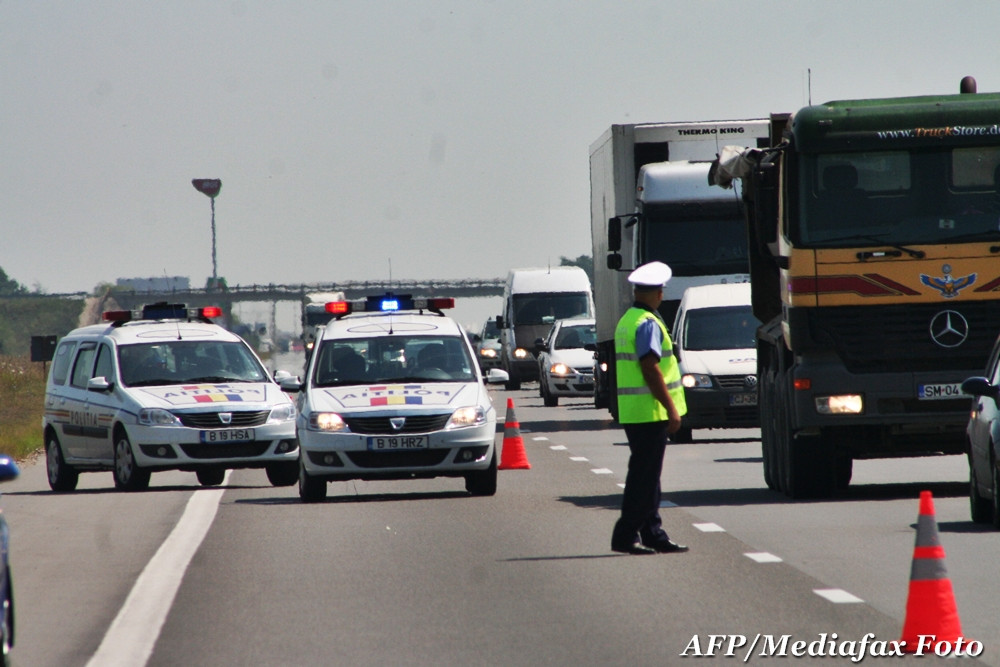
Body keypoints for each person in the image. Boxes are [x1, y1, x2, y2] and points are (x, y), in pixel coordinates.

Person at [610, 261, 690, 555]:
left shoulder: (628, 320)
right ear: (657, 293)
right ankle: (625, 536)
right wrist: (670, 408)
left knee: (647, 477)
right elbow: (650, 368)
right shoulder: (647, 323)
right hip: (650, 411)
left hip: (637, 411)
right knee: (643, 480)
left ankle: (653, 533)